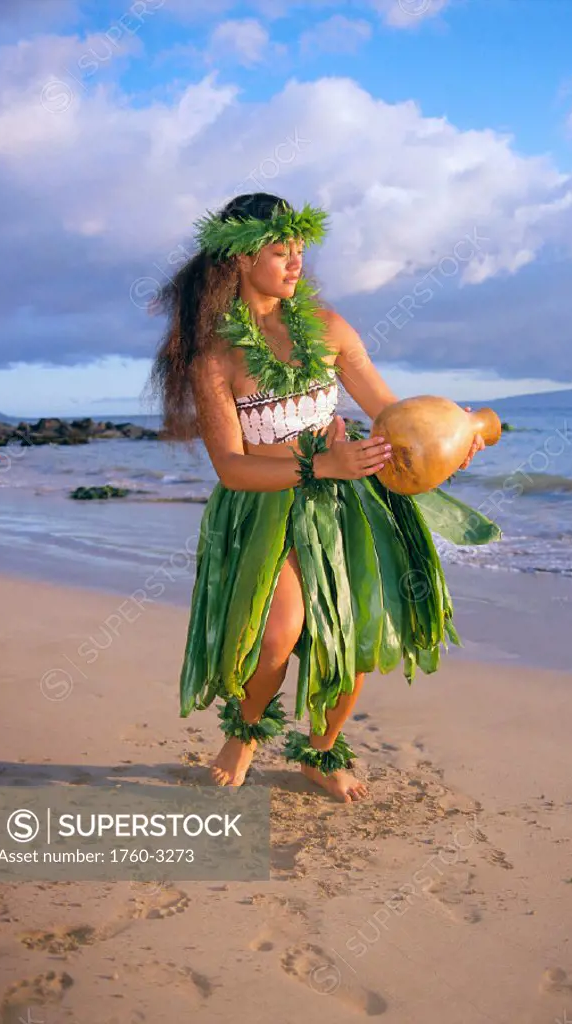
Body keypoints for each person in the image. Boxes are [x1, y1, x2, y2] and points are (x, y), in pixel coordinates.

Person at [149, 192, 500, 803]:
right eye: (281, 252)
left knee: (355, 636)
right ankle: (246, 733)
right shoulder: (215, 359)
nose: (295, 265)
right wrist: (320, 463)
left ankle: (320, 750)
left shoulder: (330, 328)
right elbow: (231, 467)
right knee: (280, 631)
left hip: (346, 503)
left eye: (300, 252)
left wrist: (452, 434)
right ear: (238, 259)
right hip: (265, 509)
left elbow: (387, 412)